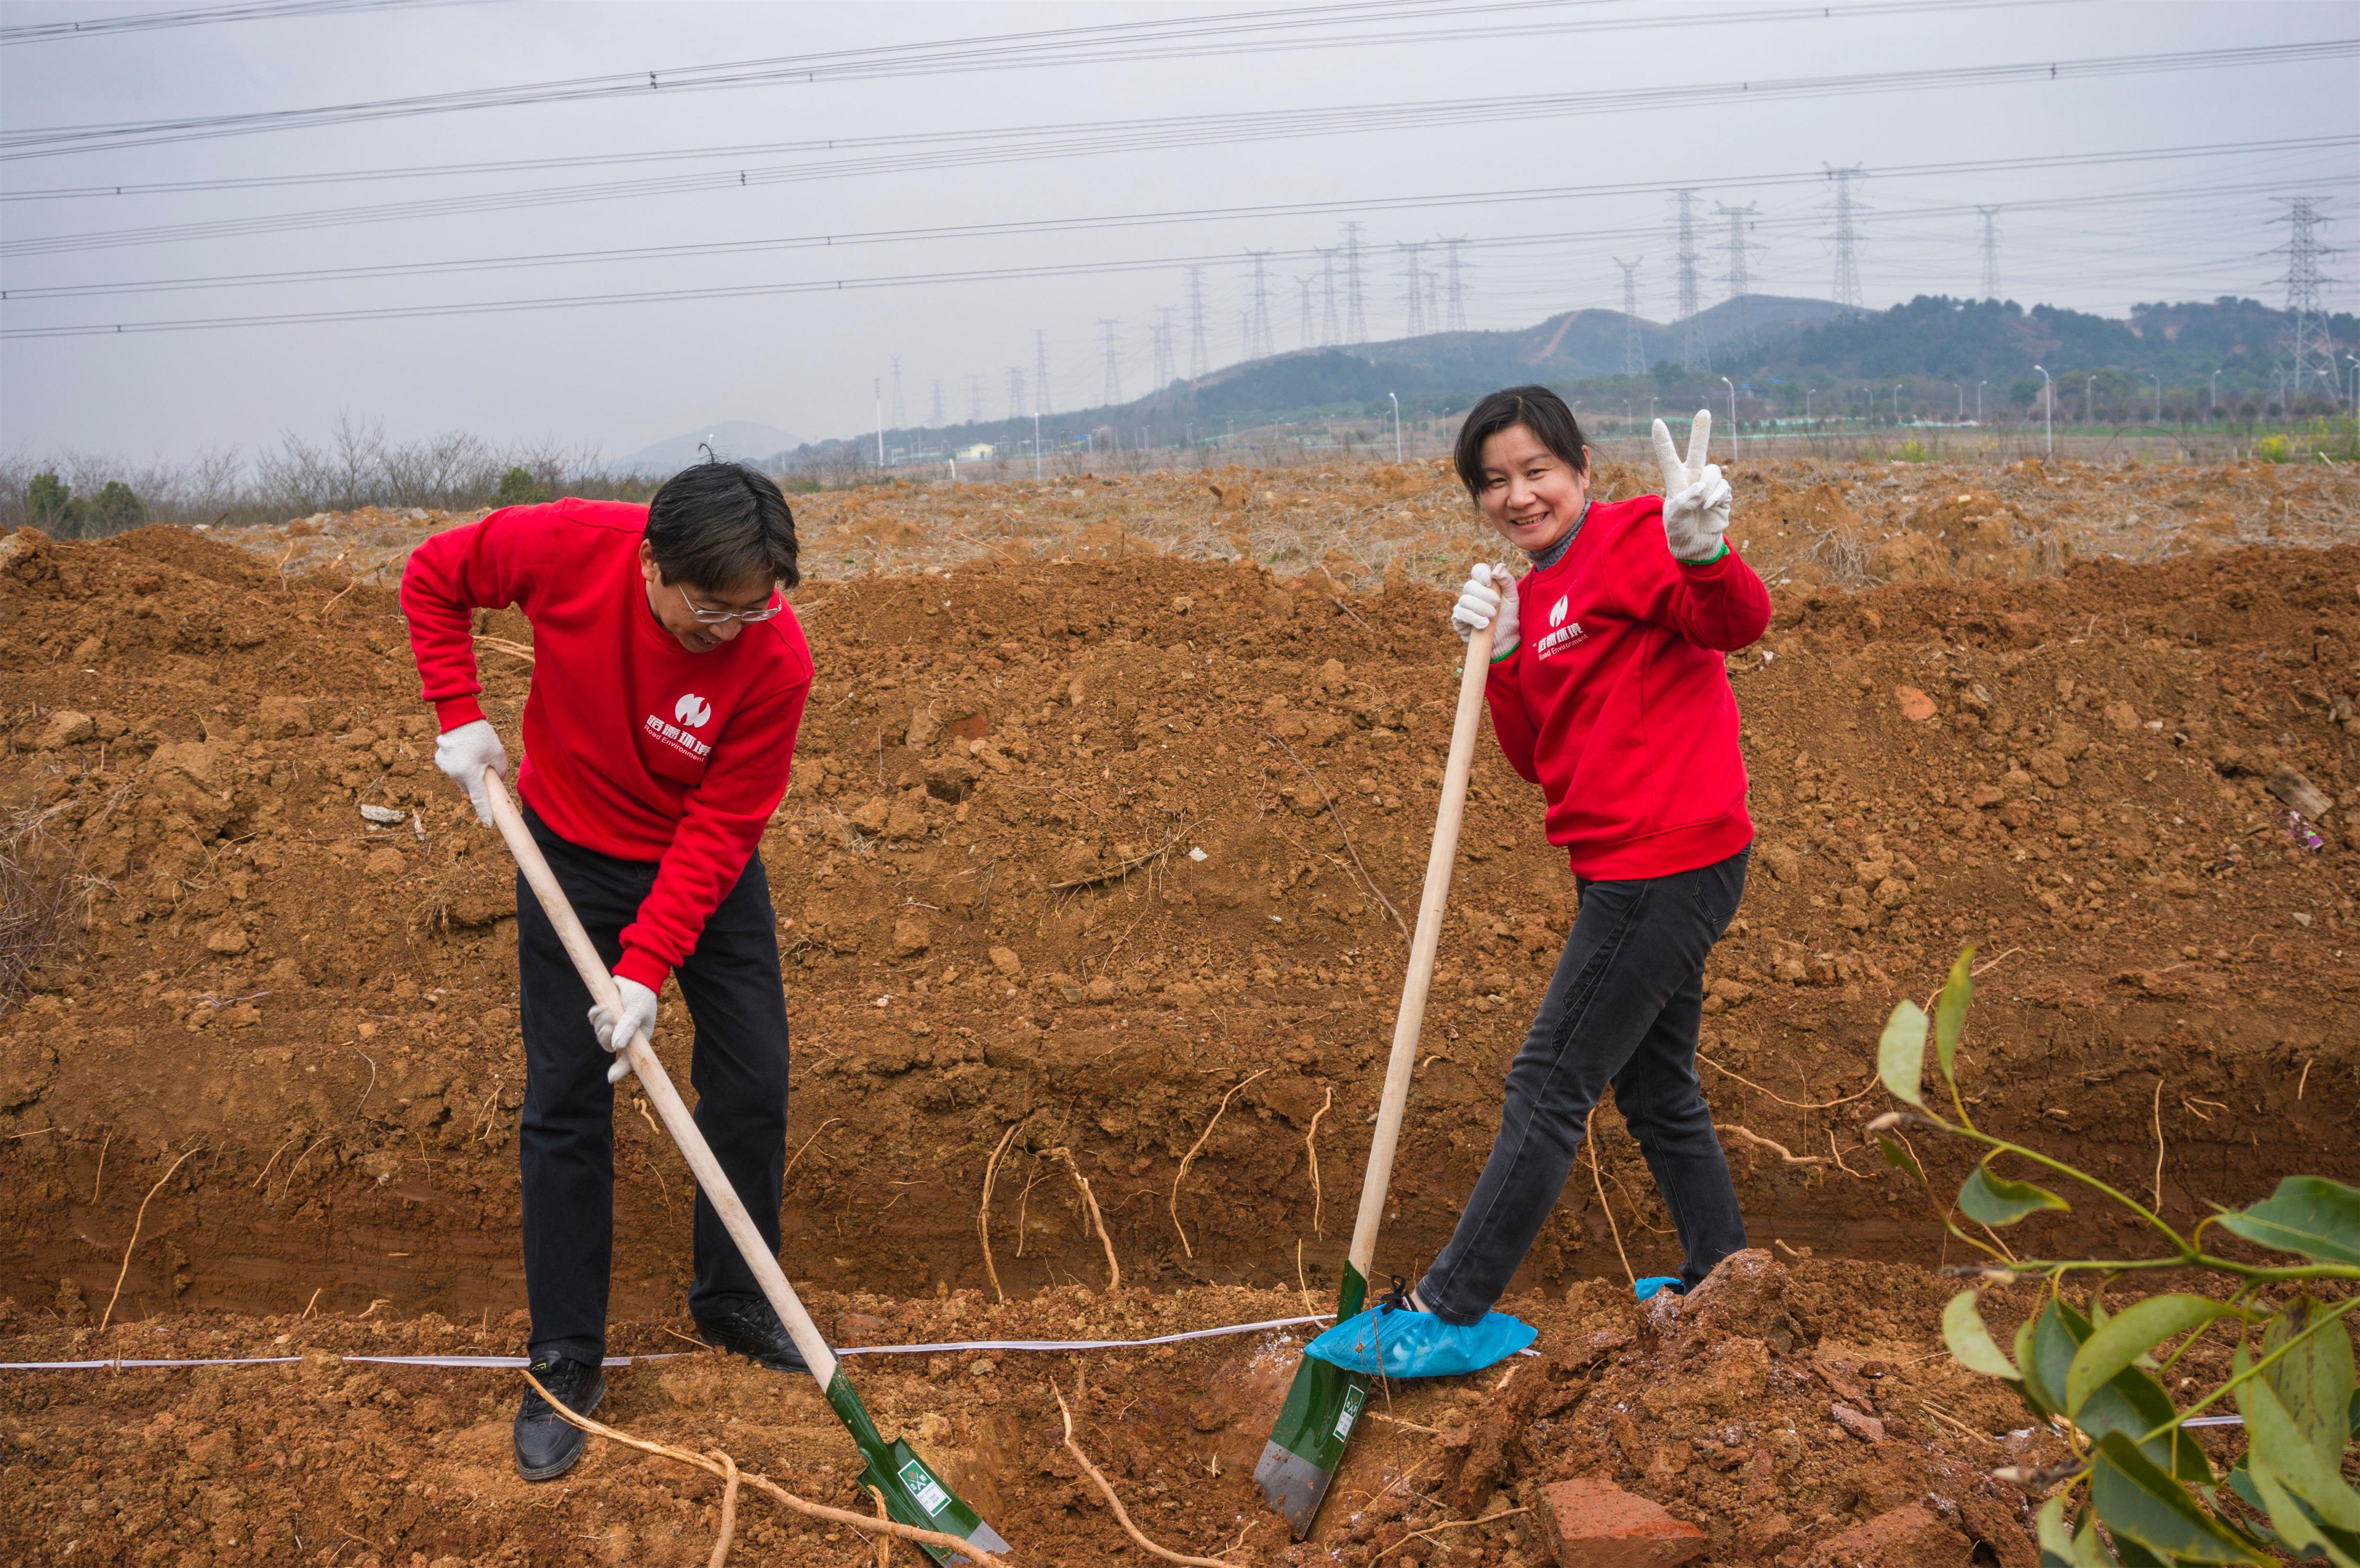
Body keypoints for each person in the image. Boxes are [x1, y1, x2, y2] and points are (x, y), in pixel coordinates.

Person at [1308, 385, 1771, 1379]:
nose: (1517, 496)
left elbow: (1734, 624)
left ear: (1581, 467)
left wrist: (1706, 555)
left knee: (1549, 1079)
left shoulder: (1639, 536)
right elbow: (1533, 755)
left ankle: (1451, 1305)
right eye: (1493, 481)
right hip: (1621, 866)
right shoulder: (1536, 588)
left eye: (1536, 471)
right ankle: (1725, 1275)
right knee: (1654, 1083)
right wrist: (1508, 652)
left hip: (1667, 858)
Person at [400, 461, 813, 1479]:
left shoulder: (774, 659)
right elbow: (433, 575)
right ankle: (565, 1354)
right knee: (566, 1099)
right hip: (569, 853)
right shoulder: (569, 545)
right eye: (711, 609)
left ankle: (734, 1298)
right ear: (650, 564)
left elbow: (723, 828)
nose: (732, 629)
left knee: (754, 1076)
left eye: (755, 608)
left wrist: (643, 969)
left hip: (700, 864)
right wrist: (458, 713)